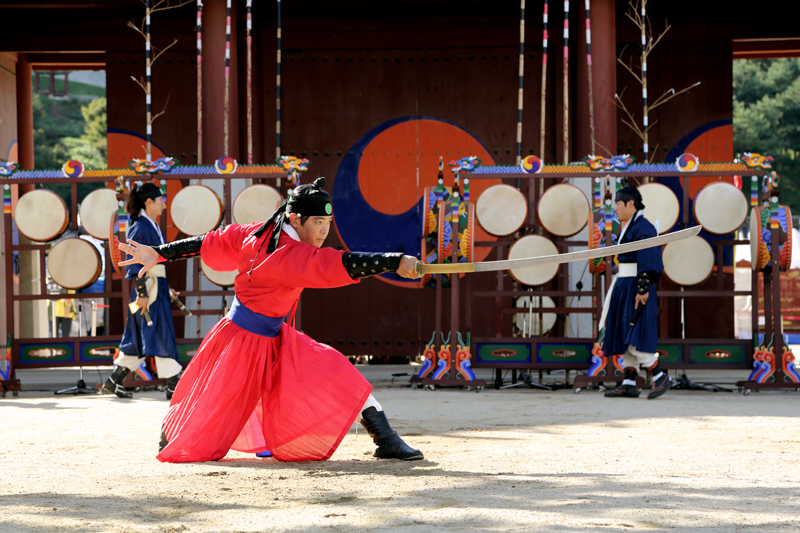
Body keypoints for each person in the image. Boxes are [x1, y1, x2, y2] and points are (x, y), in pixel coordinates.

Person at [118, 177, 424, 463]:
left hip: (271, 336)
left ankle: (385, 438)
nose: (323, 231)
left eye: (328, 223)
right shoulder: (288, 256)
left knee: (334, 369)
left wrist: (160, 253)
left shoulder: (257, 233)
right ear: (295, 219)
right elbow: (343, 263)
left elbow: (205, 243)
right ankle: (172, 436)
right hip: (245, 342)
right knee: (216, 399)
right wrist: (394, 261)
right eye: (318, 222)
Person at [102, 182, 182, 400]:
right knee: (160, 332)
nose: (163, 204)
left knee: (137, 335)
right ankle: (174, 383)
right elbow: (135, 264)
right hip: (147, 289)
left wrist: (165, 285)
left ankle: (113, 381)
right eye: (160, 200)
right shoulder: (140, 227)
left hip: (155, 287)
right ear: (149, 202)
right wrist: (142, 293)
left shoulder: (150, 225)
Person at [602, 186, 670, 400]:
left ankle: (659, 376)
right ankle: (630, 382)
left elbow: (648, 257)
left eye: (618, 204)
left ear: (630, 204)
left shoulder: (644, 228)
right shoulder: (629, 226)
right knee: (625, 331)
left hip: (636, 286)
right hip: (624, 284)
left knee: (634, 331)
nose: (615, 209)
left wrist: (642, 288)